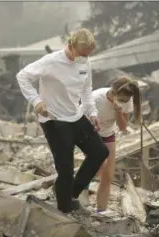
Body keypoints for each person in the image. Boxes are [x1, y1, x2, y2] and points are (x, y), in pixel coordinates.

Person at [16, 28, 109, 215]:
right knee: (65, 169)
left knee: (99, 152)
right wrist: (36, 101)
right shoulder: (51, 62)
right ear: (71, 46)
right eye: (82, 54)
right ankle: (64, 212)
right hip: (54, 119)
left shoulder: (85, 61)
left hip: (75, 115)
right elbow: (22, 76)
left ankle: (69, 195)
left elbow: (86, 89)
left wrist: (92, 112)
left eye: (88, 55)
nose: (85, 58)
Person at [84, 76, 142, 212]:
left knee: (107, 175)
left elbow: (122, 127)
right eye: (121, 99)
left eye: (125, 101)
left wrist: (118, 111)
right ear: (113, 92)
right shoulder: (96, 98)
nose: (123, 102)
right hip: (89, 133)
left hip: (108, 134)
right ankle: (80, 196)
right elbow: (80, 120)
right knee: (96, 167)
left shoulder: (126, 102)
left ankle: (101, 210)